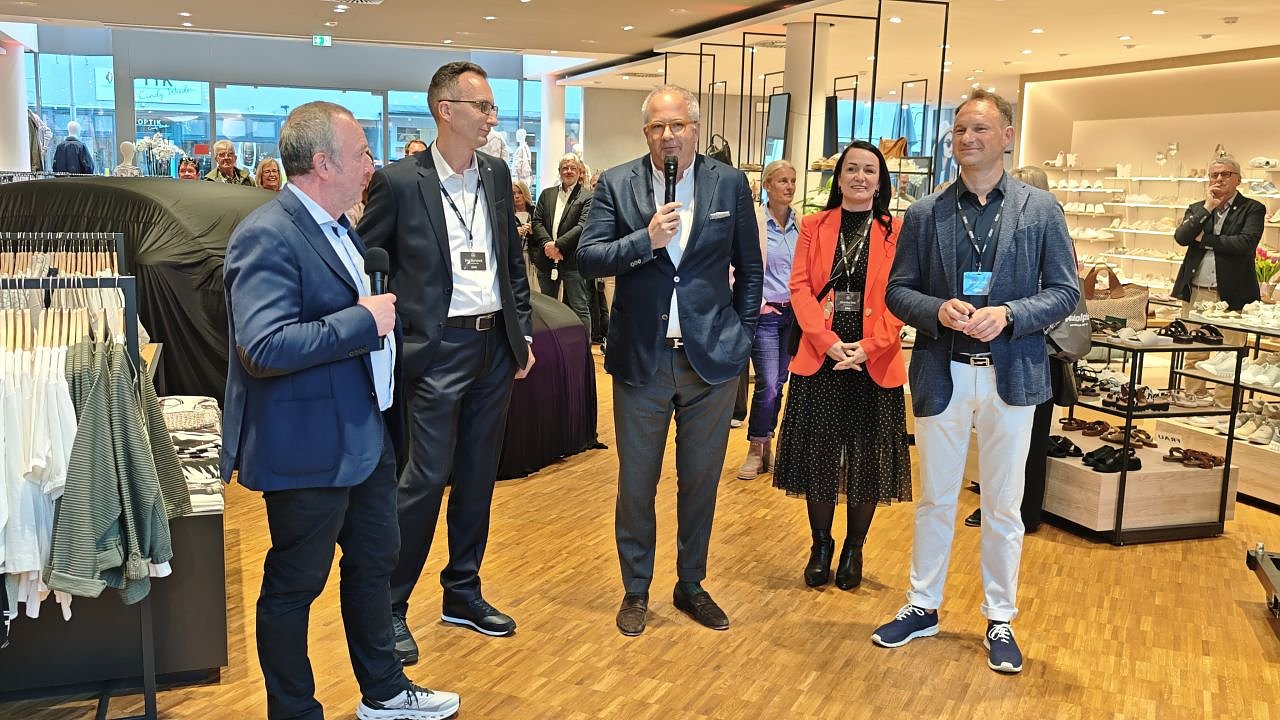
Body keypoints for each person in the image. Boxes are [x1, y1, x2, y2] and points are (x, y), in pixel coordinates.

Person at [221, 100, 458, 720]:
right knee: (295, 585)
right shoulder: (267, 233)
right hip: (307, 447)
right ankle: (294, 710)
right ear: (323, 164)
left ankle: (385, 691)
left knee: (373, 567)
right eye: (361, 154)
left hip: (365, 436)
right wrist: (361, 321)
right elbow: (263, 346)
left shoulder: (341, 228)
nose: (371, 165)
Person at [875, 89, 1079, 674]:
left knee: (1004, 505)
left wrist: (1011, 314)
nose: (967, 138)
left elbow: (1065, 291)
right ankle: (922, 605)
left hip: (1011, 376)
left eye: (981, 129)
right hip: (942, 372)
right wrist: (936, 309)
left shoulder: (1040, 209)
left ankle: (999, 618)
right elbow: (897, 291)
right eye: (960, 129)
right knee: (935, 498)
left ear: (1007, 137)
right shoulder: (926, 212)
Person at [358, 61, 535, 663]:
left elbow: (511, 262)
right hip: (435, 352)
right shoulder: (399, 182)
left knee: (479, 476)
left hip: (494, 347)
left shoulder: (496, 173)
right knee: (425, 478)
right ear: (445, 110)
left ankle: (462, 591)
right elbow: (369, 260)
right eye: (481, 107)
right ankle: (390, 605)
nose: (490, 118)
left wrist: (521, 333)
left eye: (491, 108)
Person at [577, 84, 762, 637]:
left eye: (677, 124)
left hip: (711, 361)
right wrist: (645, 240)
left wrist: (742, 336)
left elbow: (750, 270)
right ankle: (636, 588)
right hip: (643, 360)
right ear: (646, 134)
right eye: (657, 126)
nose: (668, 135)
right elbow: (588, 257)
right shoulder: (616, 183)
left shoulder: (728, 183)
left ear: (695, 129)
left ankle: (691, 584)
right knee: (637, 483)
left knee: (699, 481)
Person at [771, 141, 911, 592]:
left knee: (866, 459)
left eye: (869, 170)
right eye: (852, 169)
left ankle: (854, 547)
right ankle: (821, 545)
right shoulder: (814, 225)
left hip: (874, 361)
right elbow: (799, 288)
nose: (859, 177)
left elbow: (903, 295)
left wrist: (871, 346)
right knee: (821, 455)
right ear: (839, 177)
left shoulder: (896, 231)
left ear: (881, 180)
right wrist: (827, 342)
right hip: (822, 360)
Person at [965, 165, 1068, 532]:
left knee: (1030, 437)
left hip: (1035, 348)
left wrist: (1015, 315)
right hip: (1006, 343)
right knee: (1003, 437)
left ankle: (1024, 511)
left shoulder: (1045, 221)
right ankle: (998, 504)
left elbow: (1059, 292)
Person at [1173, 154, 1265, 402]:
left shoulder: (1252, 208)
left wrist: (1206, 240)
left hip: (1234, 293)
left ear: (1238, 179)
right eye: (1214, 175)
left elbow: (1245, 243)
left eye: (1226, 174)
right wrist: (1208, 207)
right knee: (1194, 350)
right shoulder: (1198, 208)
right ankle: (1193, 398)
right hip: (1197, 290)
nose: (1219, 179)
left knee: (1231, 353)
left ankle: (1224, 405)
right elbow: (1182, 237)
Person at [737, 159, 801, 480]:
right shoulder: (754, 222)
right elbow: (737, 267)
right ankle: (755, 447)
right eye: (782, 181)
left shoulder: (801, 224)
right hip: (765, 315)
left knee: (779, 383)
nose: (789, 187)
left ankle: (766, 443)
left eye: (792, 181)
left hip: (793, 316)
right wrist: (758, 303)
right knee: (768, 383)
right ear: (767, 185)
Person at [530, 153, 593, 331]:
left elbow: (582, 226)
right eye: (565, 168)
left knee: (579, 307)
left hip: (572, 261)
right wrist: (548, 245)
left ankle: (584, 346)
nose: (568, 171)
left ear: (579, 172)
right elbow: (537, 221)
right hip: (547, 259)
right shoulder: (547, 194)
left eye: (573, 168)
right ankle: (552, 344)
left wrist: (558, 245)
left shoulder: (587, 196)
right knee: (547, 308)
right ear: (559, 171)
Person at [512, 181, 536, 288]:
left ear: (525, 193)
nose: (516, 196)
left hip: (532, 258)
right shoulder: (507, 214)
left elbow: (541, 238)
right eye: (513, 193)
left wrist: (532, 231)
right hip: (514, 258)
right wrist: (514, 233)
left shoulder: (535, 212)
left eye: (520, 192)